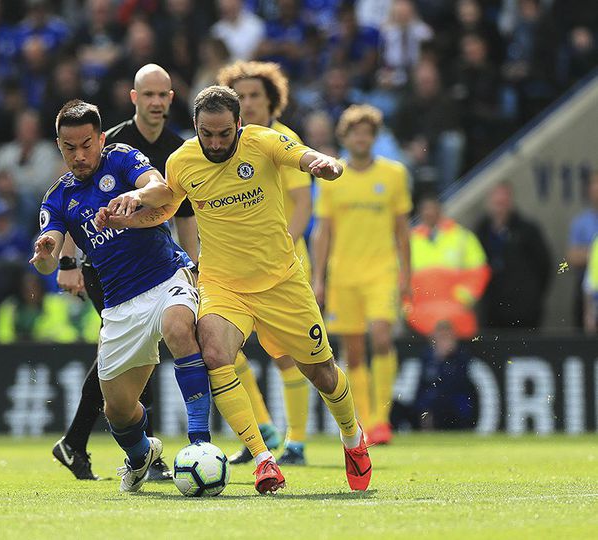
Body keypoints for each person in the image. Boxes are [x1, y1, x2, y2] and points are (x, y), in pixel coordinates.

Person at [100, 86, 372, 493]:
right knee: (214, 353)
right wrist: (128, 220)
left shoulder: (262, 141)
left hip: (281, 282)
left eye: (224, 134)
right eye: (206, 134)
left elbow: (301, 155)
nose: (215, 142)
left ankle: (353, 438)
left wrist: (322, 163)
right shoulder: (182, 161)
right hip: (224, 285)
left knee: (322, 373)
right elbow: (167, 208)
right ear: (195, 127)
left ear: (239, 125)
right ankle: (263, 459)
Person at [31, 100, 213, 493]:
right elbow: (49, 260)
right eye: (69, 148)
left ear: (100, 138)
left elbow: (158, 186)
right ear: (59, 146)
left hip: (166, 275)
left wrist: (137, 197)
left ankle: (201, 443)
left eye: (86, 144)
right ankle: (140, 454)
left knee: (179, 328)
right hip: (119, 305)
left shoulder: (122, 158)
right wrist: (47, 256)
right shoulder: (57, 198)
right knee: (117, 410)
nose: (79, 155)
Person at [216, 60, 313, 465]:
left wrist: (279, 249)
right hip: (236, 270)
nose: (250, 103)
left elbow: (304, 206)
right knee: (224, 350)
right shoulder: (224, 144)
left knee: (287, 356)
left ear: (273, 99)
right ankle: (261, 429)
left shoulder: (281, 139)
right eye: (242, 96)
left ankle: (297, 442)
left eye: (256, 95)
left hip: (280, 265)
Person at [311, 104, 412, 446]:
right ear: (345, 136)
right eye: (356, 132)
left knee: (382, 337)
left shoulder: (394, 174)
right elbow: (323, 232)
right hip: (344, 274)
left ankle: (382, 419)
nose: (362, 138)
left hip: (381, 270)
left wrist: (407, 276)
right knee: (353, 351)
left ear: (374, 137)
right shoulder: (331, 176)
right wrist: (319, 278)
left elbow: (402, 230)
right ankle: (365, 421)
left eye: (368, 133)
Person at [408, 192, 490, 339]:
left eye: (432, 209)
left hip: (456, 315)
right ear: (420, 213)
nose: (429, 213)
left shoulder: (462, 237)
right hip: (420, 318)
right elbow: (398, 276)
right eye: (425, 209)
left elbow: (479, 271)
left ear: (440, 210)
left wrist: (464, 298)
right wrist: (407, 307)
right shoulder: (409, 241)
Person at [474, 181, 551, 329]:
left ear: (511, 202)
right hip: (492, 308)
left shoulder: (528, 230)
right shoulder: (481, 230)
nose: (499, 207)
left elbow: (544, 265)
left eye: (503, 202)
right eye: (496, 202)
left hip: (524, 309)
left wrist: (532, 295)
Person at [567, 173, 598, 329]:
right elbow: (571, 258)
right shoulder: (581, 222)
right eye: (594, 185)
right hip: (587, 291)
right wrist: (594, 254)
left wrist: (587, 253)